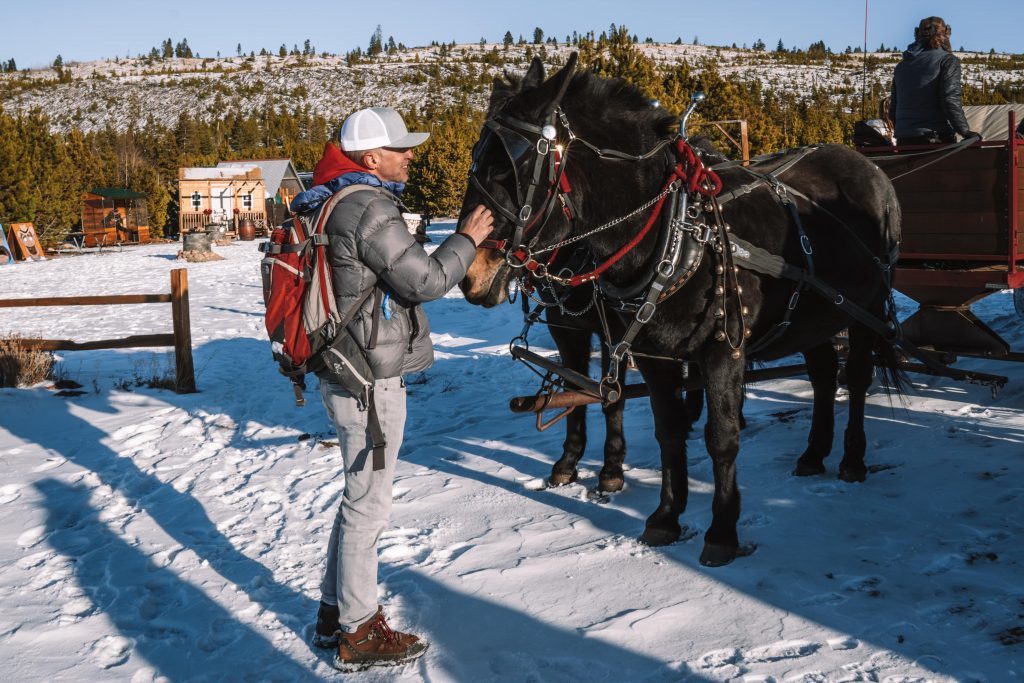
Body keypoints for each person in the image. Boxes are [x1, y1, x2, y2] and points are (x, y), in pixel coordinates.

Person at [292, 107, 493, 672]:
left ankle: (336, 613)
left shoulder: (328, 199)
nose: (410, 156)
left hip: (343, 367)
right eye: (400, 149)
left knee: (358, 495)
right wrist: (467, 239)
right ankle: (358, 632)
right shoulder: (369, 206)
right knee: (369, 504)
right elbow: (425, 280)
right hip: (368, 379)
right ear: (370, 157)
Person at [889, 16, 980, 145]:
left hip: (904, 140)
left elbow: (893, 109)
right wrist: (965, 131)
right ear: (946, 33)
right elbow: (950, 99)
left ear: (917, 34)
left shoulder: (902, 65)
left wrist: (905, 129)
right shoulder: (947, 60)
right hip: (935, 139)